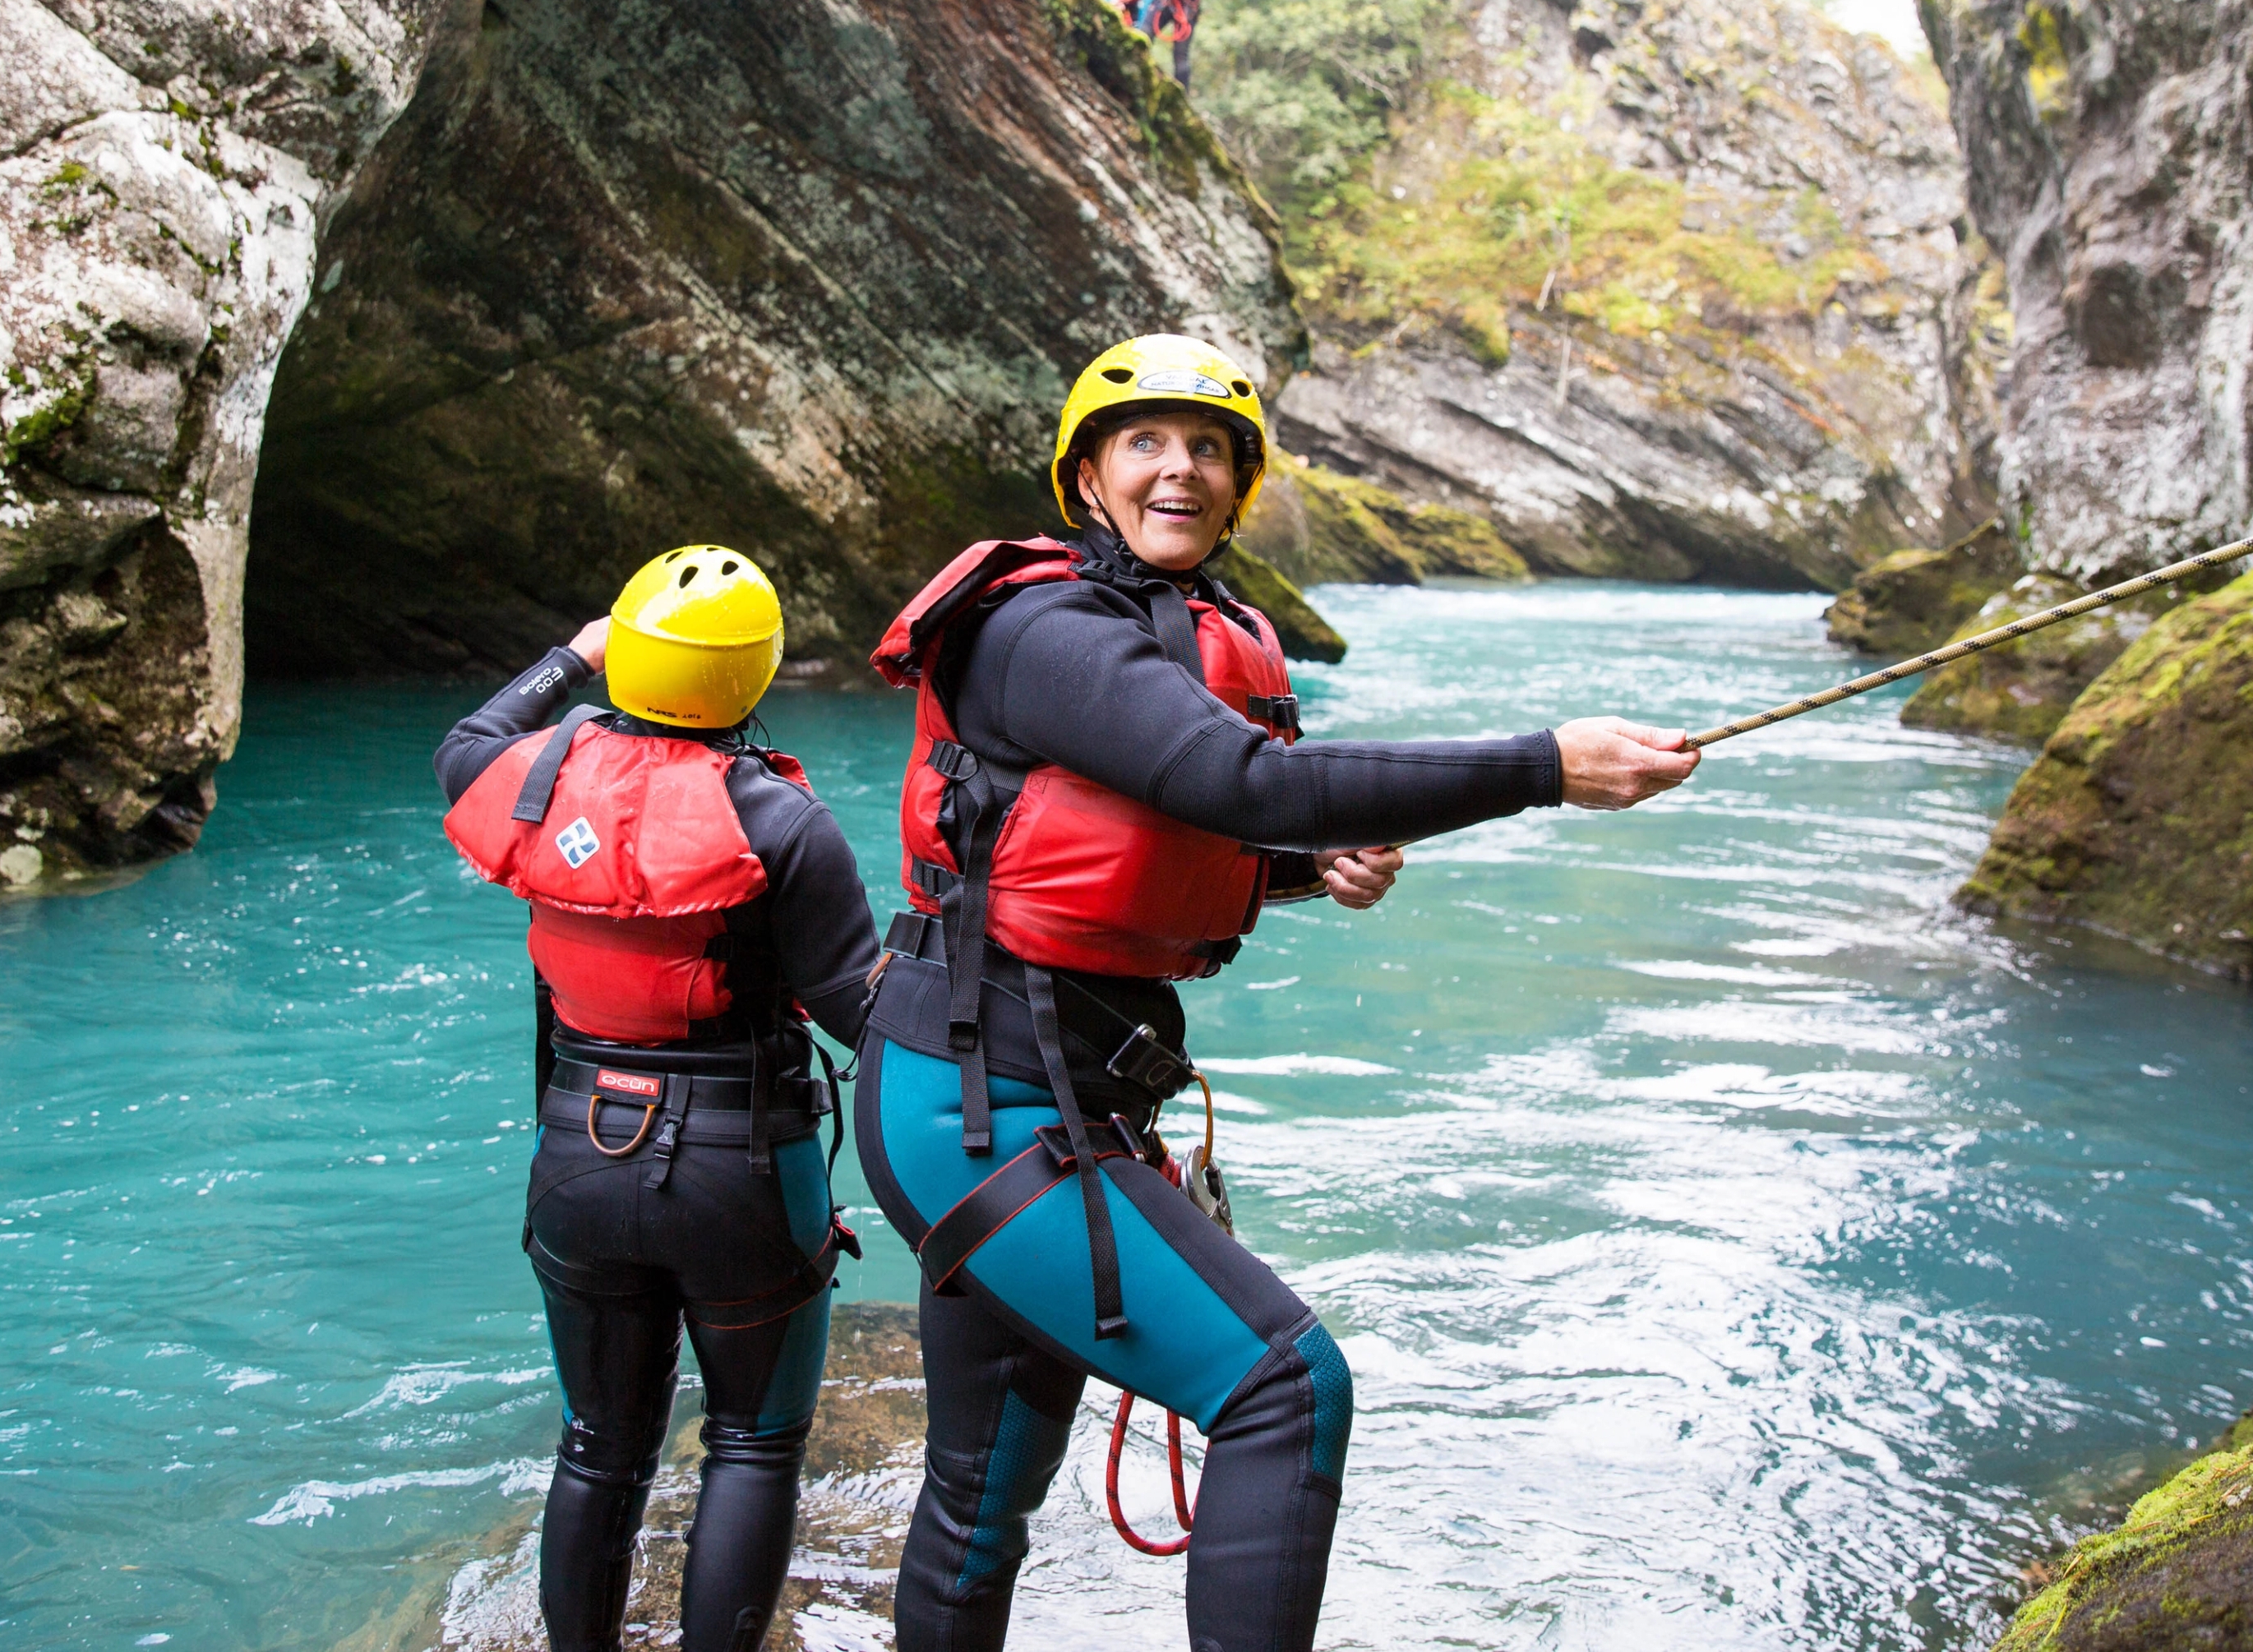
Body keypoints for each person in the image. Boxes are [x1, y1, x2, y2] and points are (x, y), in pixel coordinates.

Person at [852, 334, 1701, 1652]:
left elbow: (1159, 840)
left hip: (1037, 1085)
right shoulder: (1040, 625)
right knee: (1284, 1387)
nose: (1178, 469)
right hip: (978, 1098)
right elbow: (1236, 785)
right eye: (1145, 443)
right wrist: (1544, 764)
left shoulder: (1192, 635)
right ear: (1086, 476)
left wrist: (1303, 873)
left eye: (1211, 450)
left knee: (979, 1495)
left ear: (1243, 488)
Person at [436, 547, 880, 1652]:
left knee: (599, 1440)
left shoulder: (532, 776)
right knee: (754, 1441)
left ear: (628, 653)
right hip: (741, 1166)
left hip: (578, 1152)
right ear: (755, 673)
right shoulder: (782, 822)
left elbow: (465, 744)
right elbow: (859, 1014)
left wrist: (569, 660)